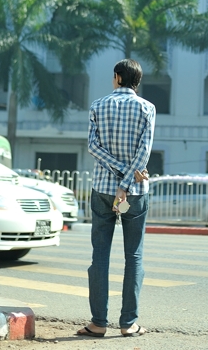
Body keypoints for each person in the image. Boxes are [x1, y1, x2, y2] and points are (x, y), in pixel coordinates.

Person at [78, 59, 154, 339]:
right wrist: (127, 177)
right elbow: (145, 152)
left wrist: (117, 175)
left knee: (100, 255)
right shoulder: (147, 108)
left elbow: (93, 147)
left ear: (117, 77)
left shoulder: (98, 105)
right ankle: (128, 323)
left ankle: (98, 323)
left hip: (102, 188)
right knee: (133, 257)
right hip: (135, 191)